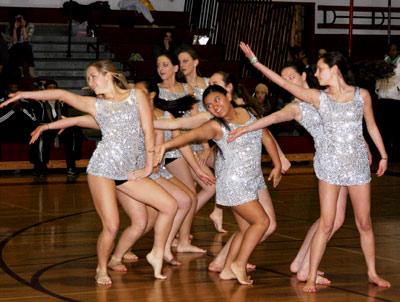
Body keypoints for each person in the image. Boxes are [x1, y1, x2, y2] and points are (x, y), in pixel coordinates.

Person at [1, 59, 178, 285]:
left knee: (168, 205)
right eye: (88, 79)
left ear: (108, 74)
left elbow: (147, 130)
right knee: (112, 225)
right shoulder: (97, 105)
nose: (90, 82)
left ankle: (156, 251)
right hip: (103, 168)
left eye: (93, 76)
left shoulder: (137, 96)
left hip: (129, 170)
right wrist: (23, 95)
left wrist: (147, 166)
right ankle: (101, 268)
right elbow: (63, 95)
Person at [238, 42, 390, 292]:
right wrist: (255, 62)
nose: (317, 74)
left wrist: (383, 155)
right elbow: (283, 84)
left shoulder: (361, 95)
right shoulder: (318, 99)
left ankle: (372, 272)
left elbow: (370, 126)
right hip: (329, 166)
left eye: (320, 69)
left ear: (335, 69)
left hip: (358, 167)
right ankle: (309, 276)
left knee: (364, 223)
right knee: (327, 223)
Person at [155, 85, 282, 285]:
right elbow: (191, 136)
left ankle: (227, 270)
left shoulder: (248, 112)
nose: (215, 106)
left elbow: (265, 134)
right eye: (209, 105)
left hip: (252, 179)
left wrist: (277, 163)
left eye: (217, 100)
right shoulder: (216, 127)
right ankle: (239, 264)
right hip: (234, 183)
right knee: (262, 223)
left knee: (245, 229)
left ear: (228, 96)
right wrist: (165, 145)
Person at [156, 52, 216, 253]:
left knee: (208, 187)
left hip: (187, 146)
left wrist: (205, 146)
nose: (161, 69)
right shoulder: (156, 92)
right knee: (189, 194)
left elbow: (197, 121)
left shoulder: (187, 89)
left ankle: (179, 235)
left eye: (165, 65)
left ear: (174, 68)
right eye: (158, 66)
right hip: (168, 150)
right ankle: (179, 239)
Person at [176, 45, 225, 232]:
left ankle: (216, 211)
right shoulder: (181, 88)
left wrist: (207, 145)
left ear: (196, 62)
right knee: (200, 188)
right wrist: (204, 145)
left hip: (208, 142)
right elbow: (193, 122)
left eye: (186, 61)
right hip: (189, 143)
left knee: (225, 168)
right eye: (179, 62)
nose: (182, 65)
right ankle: (179, 229)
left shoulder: (207, 83)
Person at [29, 79, 81, 176]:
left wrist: (63, 126)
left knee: (74, 131)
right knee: (40, 135)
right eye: (50, 88)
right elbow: (39, 120)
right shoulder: (39, 102)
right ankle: (40, 166)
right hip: (46, 129)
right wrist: (42, 103)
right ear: (46, 89)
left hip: (60, 128)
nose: (52, 90)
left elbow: (65, 118)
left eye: (54, 88)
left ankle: (71, 165)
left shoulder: (62, 102)